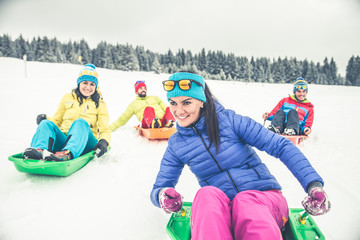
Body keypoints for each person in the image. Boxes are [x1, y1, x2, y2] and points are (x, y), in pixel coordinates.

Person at [150, 72, 330, 240]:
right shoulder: (177, 144)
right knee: (205, 195)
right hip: (222, 209)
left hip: (264, 200)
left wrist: (313, 184)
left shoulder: (230, 121)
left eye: (186, 102)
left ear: (202, 101)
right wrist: (163, 195)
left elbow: (281, 146)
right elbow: (159, 187)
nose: (179, 111)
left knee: (246, 201)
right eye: (173, 103)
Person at [22, 63, 111, 161]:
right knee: (46, 124)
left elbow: (105, 129)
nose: (88, 87)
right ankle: (39, 150)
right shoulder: (67, 98)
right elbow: (57, 120)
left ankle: (68, 153)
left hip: (86, 142)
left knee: (80, 122)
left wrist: (104, 141)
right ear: (79, 83)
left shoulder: (100, 103)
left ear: (96, 86)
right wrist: (45, 118)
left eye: (92, 84)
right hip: (66, 140)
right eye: (85, 83)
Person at [109, 80, 175, 131]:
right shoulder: (133, 104)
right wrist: (108, 129)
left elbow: (166, 109)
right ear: (136, 91)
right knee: (148, 109)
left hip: (163, 121)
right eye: (140, 88)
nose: (143, 90)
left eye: (144, 88)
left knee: (169, 108)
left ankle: (168, 123)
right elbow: (122, 119)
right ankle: (153, 124)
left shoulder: (155, 98)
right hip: (147, 123)